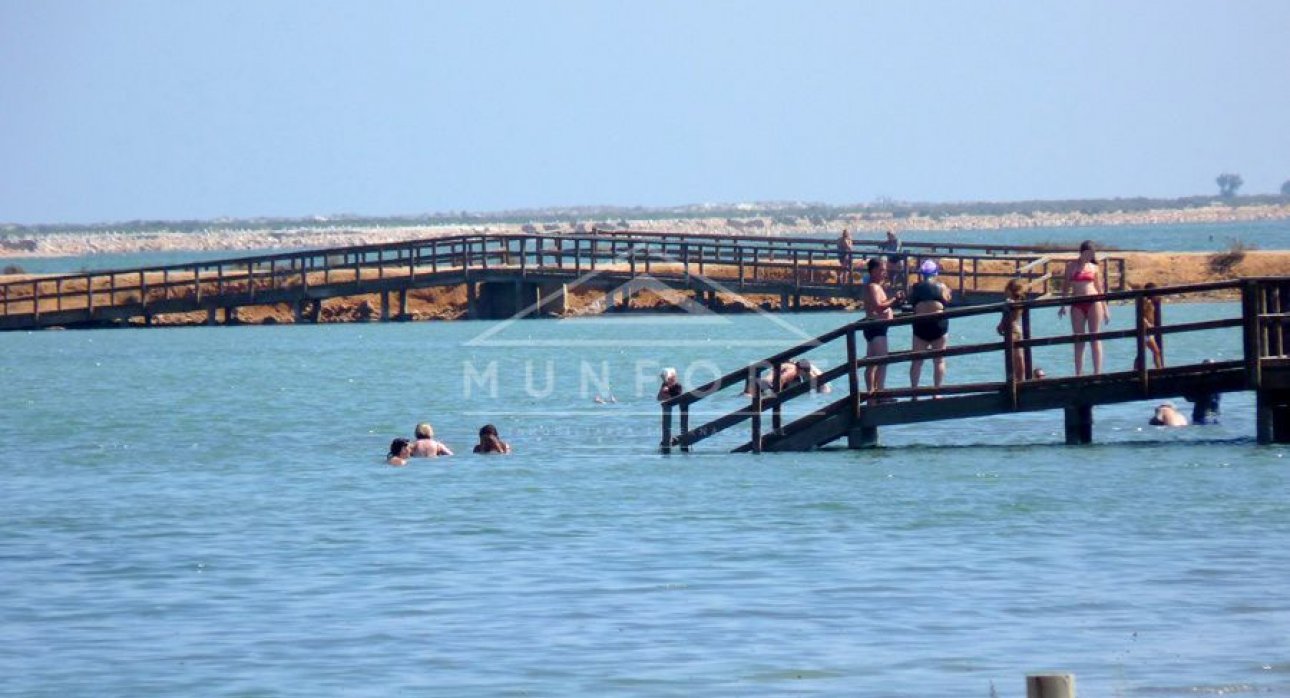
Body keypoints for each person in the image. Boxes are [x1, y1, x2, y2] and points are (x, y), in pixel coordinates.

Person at [1058, 240, 1110, 375]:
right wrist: (1063, 305)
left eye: (1092, 254)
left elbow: (1100, 289)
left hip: (1094, 302)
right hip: (1077, 302)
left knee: (1095, 336)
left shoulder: (1094, 268)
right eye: (1087, 253)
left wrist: (1105, 309)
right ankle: (1078, 373)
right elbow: (1066, 286)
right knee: (1079, 339)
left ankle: (1097, 372)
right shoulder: (1071, 266)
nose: (1089, 256)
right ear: (1082, 252)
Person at [909, 260, 952, 396]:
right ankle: (937, 392)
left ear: (922, 273)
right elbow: (947, 301)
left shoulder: (915, 287)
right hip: (938, 326)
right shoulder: (942, 287)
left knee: (917, 361)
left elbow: (911, 302)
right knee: (939, 360)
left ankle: (914, 392)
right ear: (936, 273)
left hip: (920, 326)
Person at [862, 257, 903, 402]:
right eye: (881, 270)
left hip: (877, 327)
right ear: (873, 271)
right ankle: (879, 393)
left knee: (872, 362)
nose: (884, 272)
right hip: (876, 327)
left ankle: (872, 395)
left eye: (884, 270)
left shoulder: (876, 286)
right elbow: (878, 307)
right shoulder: (872, 286)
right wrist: (894, 300)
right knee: (881, 361)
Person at [997, 278, 1028, 381]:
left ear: (1010, 290)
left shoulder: (1010, 302)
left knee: (1013, 358)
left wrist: (1000, 325)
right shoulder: (1020, 302)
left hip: (1011, 330)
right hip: (1017, 328)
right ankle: (1021, 379)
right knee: (1019, 357)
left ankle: (1014, 380)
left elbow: (1007, 317)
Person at [1136, 282, 1164, 370]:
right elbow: (1140, 315)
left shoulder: (1152, 302)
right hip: (1145, 331)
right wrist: (1147, 324)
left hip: (1148, 332)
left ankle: (1159, 369)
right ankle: (1159, 370)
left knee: (1150, 352)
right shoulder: (1146, 302)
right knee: (1153, 351)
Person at [1184, 359, 1222, 424]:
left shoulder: (1199, 384)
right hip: (1213, 416)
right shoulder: (1218, 383)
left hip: (1200, 417)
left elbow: (1189, 398)